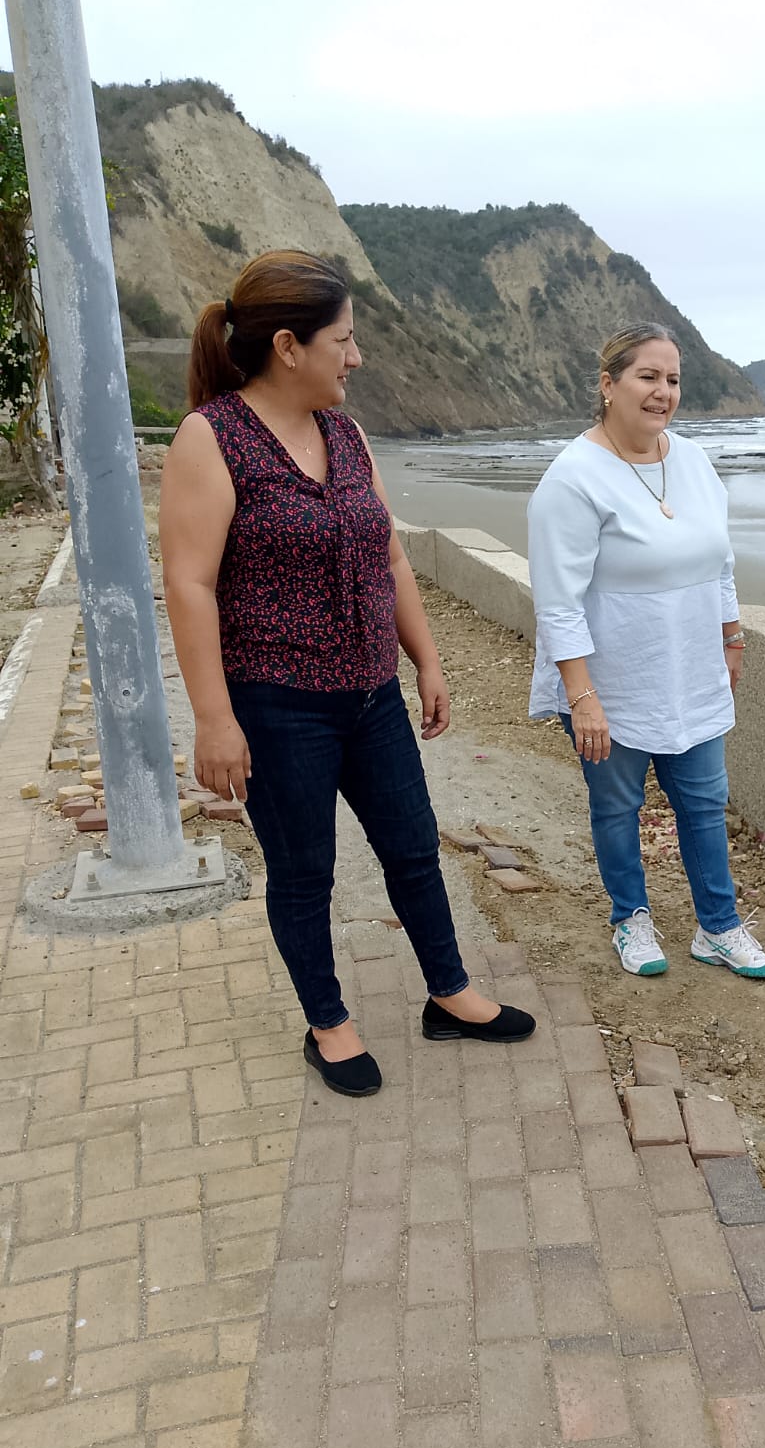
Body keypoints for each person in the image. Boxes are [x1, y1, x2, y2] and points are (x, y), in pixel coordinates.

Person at [160, 249, 534, 1096]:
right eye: (344, 340)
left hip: (372, 694)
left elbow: (388, 556)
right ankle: (328, 1024)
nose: (356, 357)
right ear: (288, 346)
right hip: (276, 703)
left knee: (413, 848)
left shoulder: (347, 434)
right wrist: (214, 720)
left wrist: (426, 660)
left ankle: (450, 993)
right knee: (305, 873)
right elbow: (190, 585)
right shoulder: (211, 438)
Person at [527, 322, 765, 980]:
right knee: (618, 806)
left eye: (672, 379)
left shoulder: (693, 462)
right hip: (611, 680)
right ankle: (630, 918)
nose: (662, 391)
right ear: (608, 385)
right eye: (647, 376)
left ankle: (718, 928)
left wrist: (731, 635)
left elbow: (720, 561)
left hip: (691, 669)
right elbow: (557, 602)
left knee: (704, 802)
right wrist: (582, 697)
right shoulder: (573, 478)